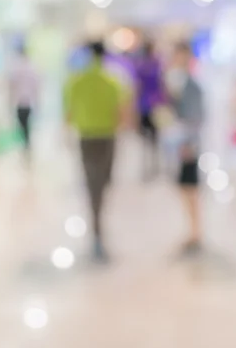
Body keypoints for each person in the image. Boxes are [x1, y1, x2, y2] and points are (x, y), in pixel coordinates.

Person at [64, 41, 130, 262]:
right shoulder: (113, 79)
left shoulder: (77, 79)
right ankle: (97, 229)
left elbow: (68, 113)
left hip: (87, 137)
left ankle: (97, 226)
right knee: (103, 181)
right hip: (107, 137)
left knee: (94, 183)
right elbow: (122, 112)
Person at [167, 42, 205, 256]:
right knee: (185, 188)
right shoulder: (180, 83)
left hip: (187, 144)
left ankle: (195, 232)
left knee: (190, 188)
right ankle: (193, 231)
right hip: (182, 141)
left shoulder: (192, 86)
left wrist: (188, 143)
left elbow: (196, 118)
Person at [134, 41, 165, 179]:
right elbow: (161, 85)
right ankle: (154, 167)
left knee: (146, 139)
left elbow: (137, 88)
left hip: (144, 105)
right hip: (154, 105)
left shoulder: (140, 66)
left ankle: (148, 167)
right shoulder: (156, 65)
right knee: (154, 138)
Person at [9, 46, 40, 155]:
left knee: (23, 125)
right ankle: (26, 144)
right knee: (26, 125)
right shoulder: (31, 68)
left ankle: (25, 144)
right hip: (28, 101)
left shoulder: (16, 68)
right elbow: (36, 86)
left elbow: (12, 85)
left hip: (20, 101)